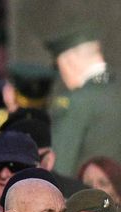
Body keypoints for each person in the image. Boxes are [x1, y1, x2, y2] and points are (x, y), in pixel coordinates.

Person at [46, 29, 121, 176]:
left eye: (58, 66)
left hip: (93, 197)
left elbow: (61, 170)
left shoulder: (76, 103)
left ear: (69, 60)